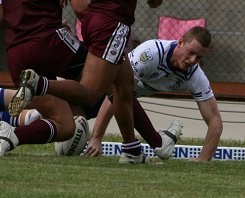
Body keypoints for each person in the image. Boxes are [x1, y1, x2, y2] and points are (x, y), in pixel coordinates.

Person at [8, 0, 165, 163]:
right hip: (107, 23)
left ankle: (135, 150)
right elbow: (154, 3)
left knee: (122, 85)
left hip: (16, 49)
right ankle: (38, 84)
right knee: (91, 93)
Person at [85, 26, 223, 162]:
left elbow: (215, 120)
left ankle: (152, 145)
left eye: (198, 57)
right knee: (78, 114)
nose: (193, 60)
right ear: (180, 42)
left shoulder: (196, 77)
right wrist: (97, 138)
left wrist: (203, 159)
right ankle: (160, 142)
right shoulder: (151, 53)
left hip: (124, 97)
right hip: (102, 87)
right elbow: (116, 90)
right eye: (191, 52)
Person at [0, 0, 89, 156]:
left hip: (17, 52)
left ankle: (11, 135)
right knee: (101, 84)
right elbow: (80, 8)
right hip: (49, 39)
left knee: (65, 125)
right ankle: (131, 147)